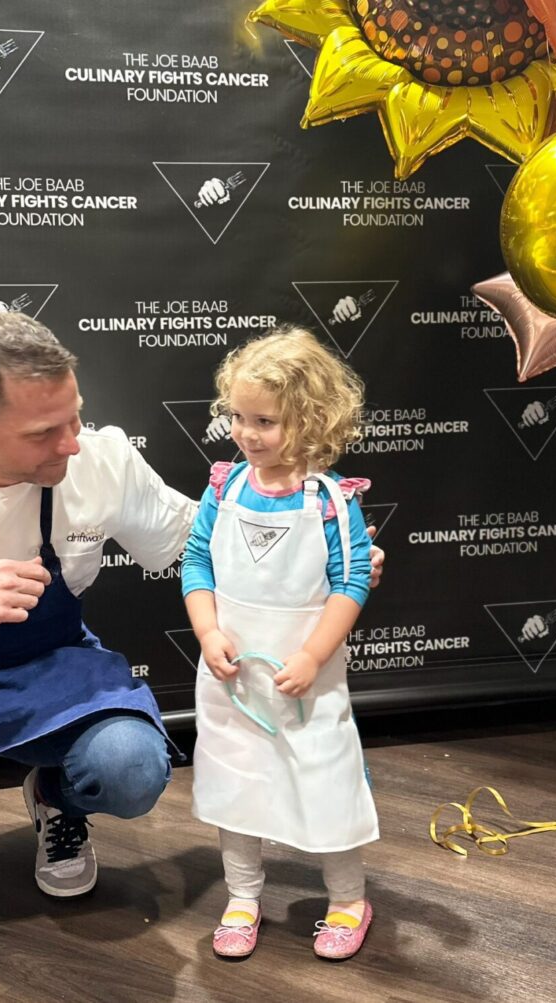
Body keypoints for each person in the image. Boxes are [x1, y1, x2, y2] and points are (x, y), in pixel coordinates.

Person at [0, 312, 385, 946]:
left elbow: (210, 540)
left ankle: (60, 798)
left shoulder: (100, 458)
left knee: (130, 767)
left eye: (75, 418)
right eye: (43, 432)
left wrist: (323, 555)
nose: (71, 444)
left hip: (48, 669)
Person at [182, 326, 379, 962]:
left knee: (325, 784)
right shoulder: (224, 490)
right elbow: (196, 565)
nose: (245, 432)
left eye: (263, 420)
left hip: (307, 680)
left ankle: (348, 899)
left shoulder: (330, 501)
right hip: (232, 678)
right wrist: (209, 632)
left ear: (312, 420)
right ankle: (243, 896)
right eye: (237, 416)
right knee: (235, 788)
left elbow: (350, 583)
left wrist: (313, 655)